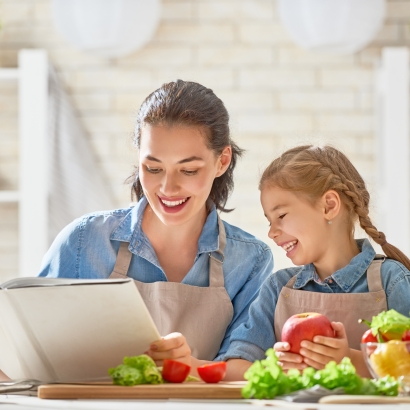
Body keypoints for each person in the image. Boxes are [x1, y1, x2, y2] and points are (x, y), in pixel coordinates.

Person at [37, 80, 273, 378]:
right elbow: (30, 348)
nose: (167, 188)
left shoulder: (250, 261)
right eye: (153, 168)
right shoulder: (83, 241)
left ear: (222, 161)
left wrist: (189, 367)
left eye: (188, 170)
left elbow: (246, 369)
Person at [225, 145, 410, 378]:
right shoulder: (278, 288)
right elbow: (236, 366)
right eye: (269, 221)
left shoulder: (391, 281)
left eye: (281, 216)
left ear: (329, 206)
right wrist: (277, 370)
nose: (272, 232)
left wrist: (350, 360)